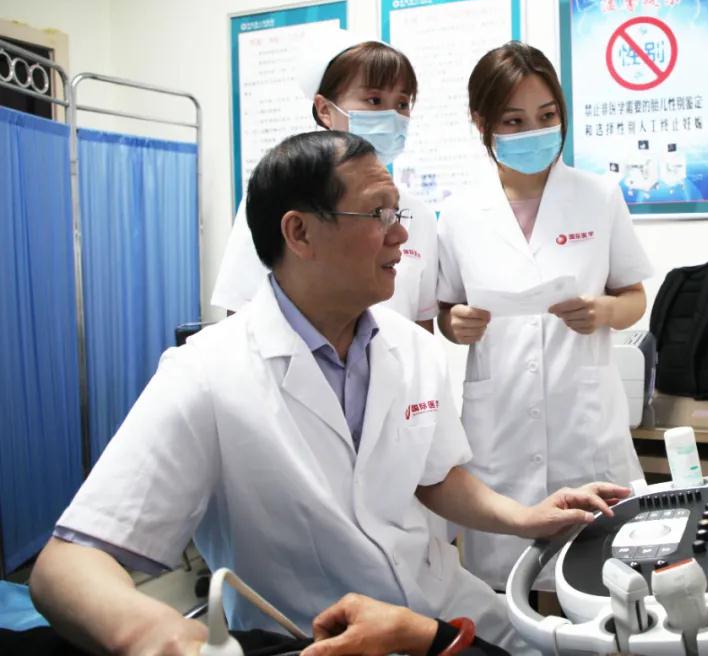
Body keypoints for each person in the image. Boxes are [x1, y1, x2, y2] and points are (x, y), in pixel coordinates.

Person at [29, 130, 628, 655]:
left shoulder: (411, 347)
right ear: (300, 232)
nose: (401, 235)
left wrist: (525, 518)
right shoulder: (205, 375)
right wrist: (157, 635)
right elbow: (65, 566)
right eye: (378, 215)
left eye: (398, 213)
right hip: (314, 638)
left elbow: (435, 477)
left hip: (447, 614)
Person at [436, 42, 653, 589]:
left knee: (602, 588)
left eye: (547, 115)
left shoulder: (599, 196)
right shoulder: (460, 213)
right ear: (481, 123)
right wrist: (455, 324)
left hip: (585, 427)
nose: (534, 131)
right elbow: (444, 311)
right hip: (500, 432)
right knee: (506, 595)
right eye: (514, 120)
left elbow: (635, 298)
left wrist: (603, 310)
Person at [212, 30, 439, 332]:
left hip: (390, 362)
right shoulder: (280, 197)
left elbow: (422, 331)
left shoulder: (417, 215)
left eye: (402, 104)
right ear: (324, 110)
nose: (392, 116)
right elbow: (239, 314)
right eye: (374, 100)